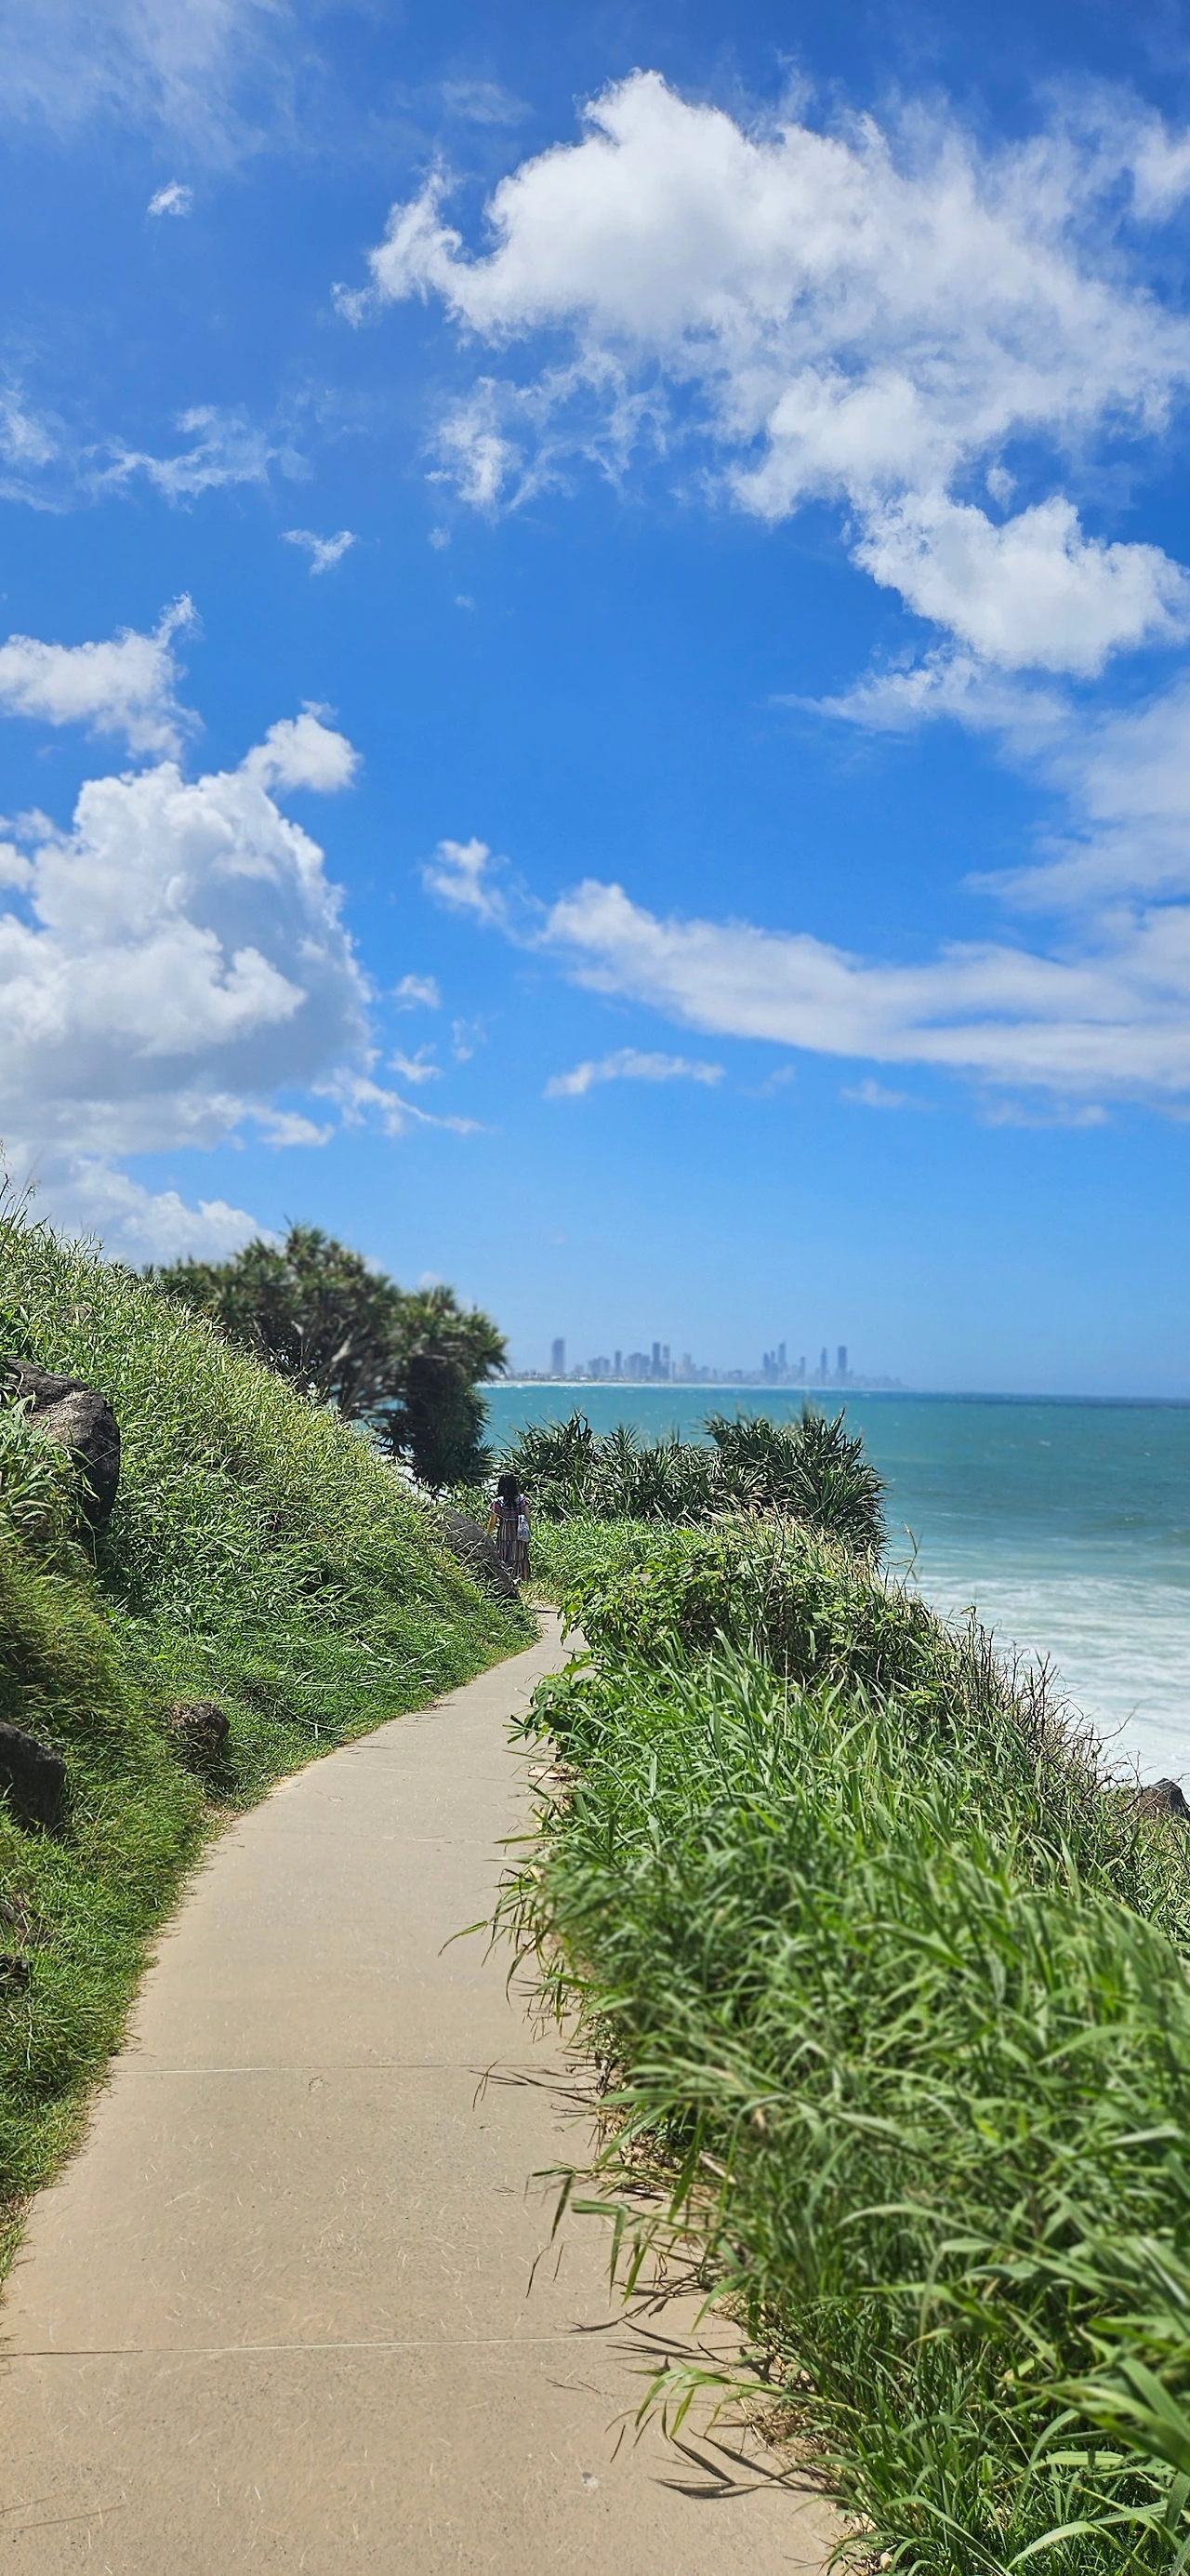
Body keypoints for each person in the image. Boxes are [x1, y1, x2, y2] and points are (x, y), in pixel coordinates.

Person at [490, 1470, 531, 1583]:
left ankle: (506, 1580)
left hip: (504, 1535)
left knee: (503, 1556)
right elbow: (528, 1519)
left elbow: (493, 1522)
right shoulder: (522, 1501)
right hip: (519, 1535)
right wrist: (528, 1534)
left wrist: (487, 1535)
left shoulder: (498, 1503)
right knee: (519, 1556)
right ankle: (521, 1579)